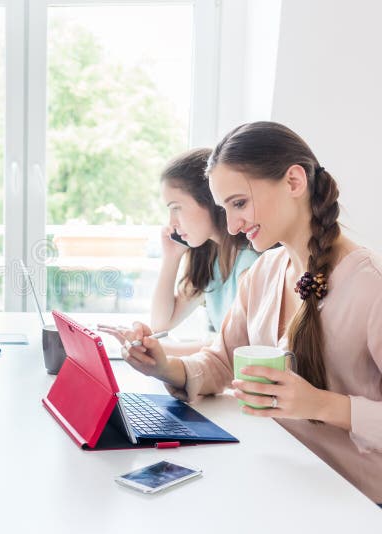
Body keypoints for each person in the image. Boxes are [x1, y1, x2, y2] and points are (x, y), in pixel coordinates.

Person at [116, 121, 382, 503]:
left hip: (353, 498)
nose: (233, 226)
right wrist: (163, 367)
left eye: (239, 203)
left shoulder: (371, 285)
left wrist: (321, 404)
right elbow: (222, 362)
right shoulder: (265, 272)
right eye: (224, 209)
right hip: (283, 477)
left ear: (294, 182)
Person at [99, 149, 259, 354]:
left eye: (176, 208)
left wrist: (157, 349)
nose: (171, 223)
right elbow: (161, 323)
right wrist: (171, 257)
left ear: (211, 200)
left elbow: (235, 347)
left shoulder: (250, 263)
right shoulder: (211, 257)